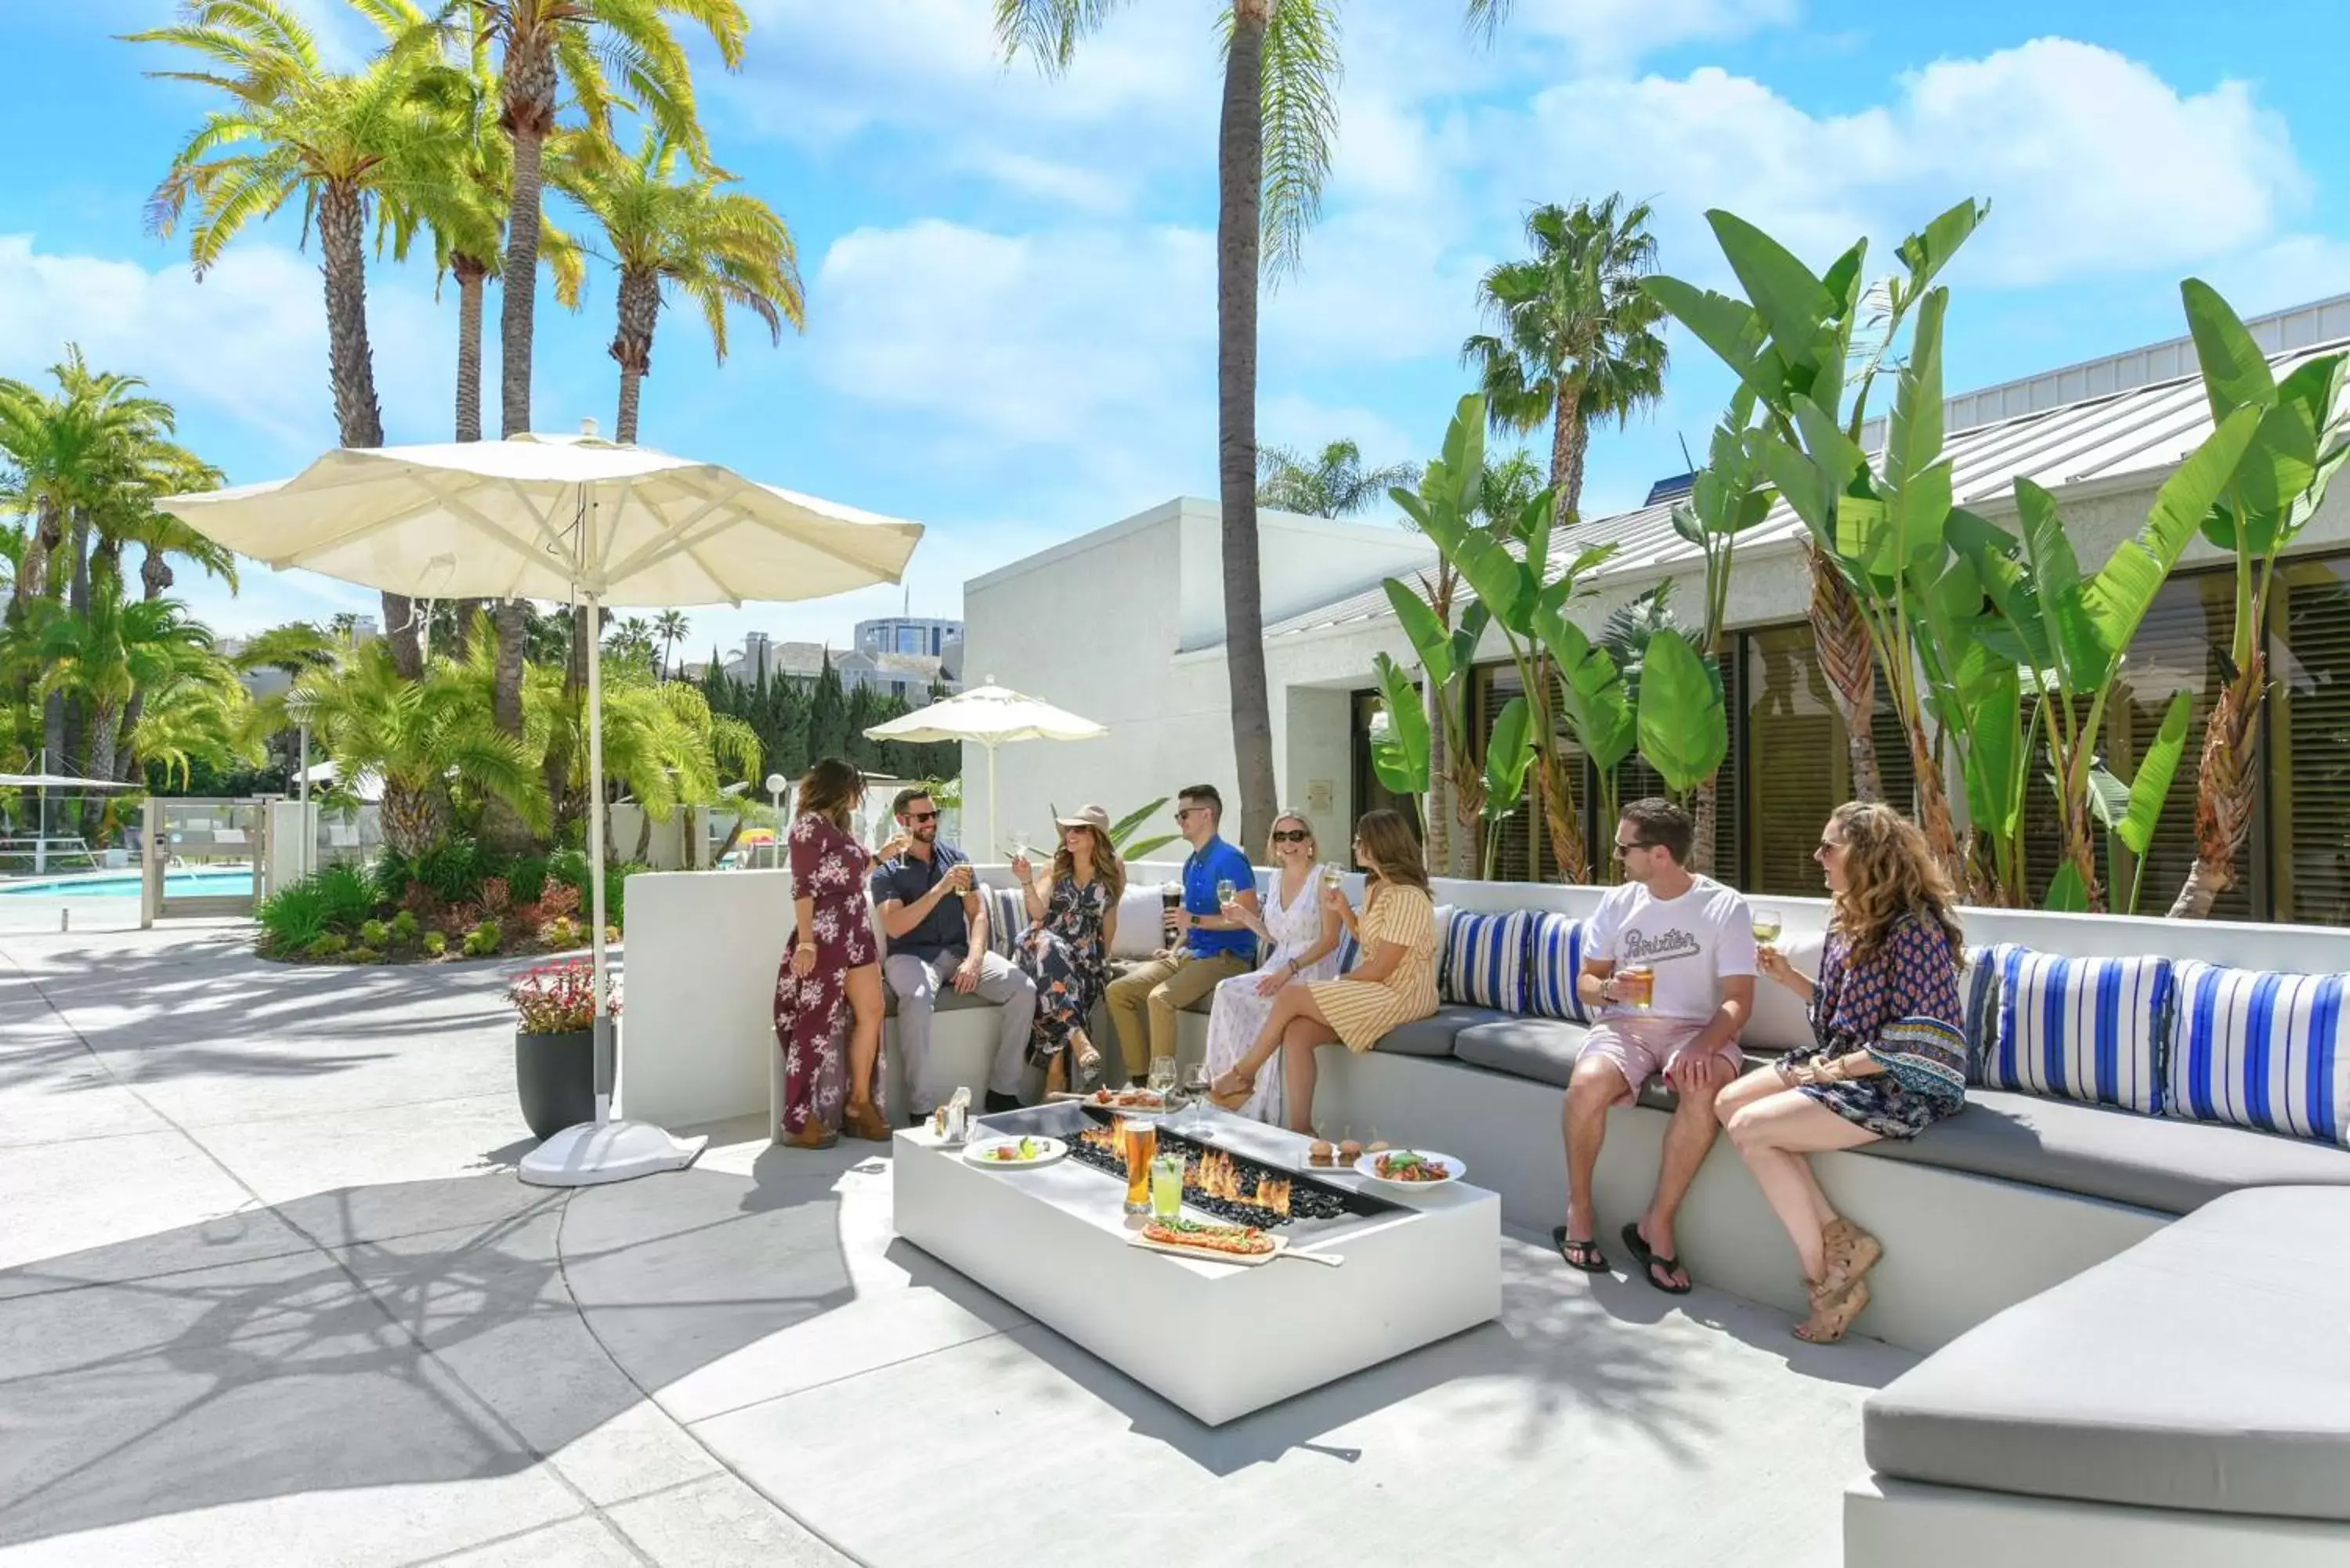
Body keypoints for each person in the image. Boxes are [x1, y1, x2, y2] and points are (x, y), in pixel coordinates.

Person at [1716, 801, 1969, 1344]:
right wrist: (1789, 978)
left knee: (1750, 1129)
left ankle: (1826, 1283)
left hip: (1899, 1082)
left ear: (1868, 855)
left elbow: (1922, 1035)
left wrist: (1832, 1072)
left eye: (1830, 846)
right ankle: (1845, 1246)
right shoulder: (1846, 917)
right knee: (1726, 1104)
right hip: (1846, 1063)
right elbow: (1842, 1014)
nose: (1818, 856)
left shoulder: (1916, 930)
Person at [1555, 798, 1755, 1295]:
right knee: (1584, 1086)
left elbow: (1738, 1002)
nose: (1619, 854)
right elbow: (1586, 980)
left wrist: (1704, 1046)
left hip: (1695, 1029)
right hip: (1626, 1024)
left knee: (1702, 1083)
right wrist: (1606, 992)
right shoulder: (1619, 902)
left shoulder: (1724, 907)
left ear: (1660, 854)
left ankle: (1657, 1224)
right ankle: (1580, 1209)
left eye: (1626, 846)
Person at [1211, 809, 1437, 1134]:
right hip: (1375, 986)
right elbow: (1365, 939)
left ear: (1380, 845)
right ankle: (1301, 1130)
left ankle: (1242, 1075)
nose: (1354, 844)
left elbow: (1382, 968)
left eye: (1361, 840)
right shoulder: (1377, 886)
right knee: (1297, 1032)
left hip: (1402, 993)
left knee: (1291, 994)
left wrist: (1337, 983)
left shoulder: (1408, 897)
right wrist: (1345, 911)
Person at [871, 786, 1039, 1124]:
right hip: (910, 957)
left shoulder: (956, 860)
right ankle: (921, 1109)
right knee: (917, 1000)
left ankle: (1002, 1091)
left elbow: (977, 913)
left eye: (935, 814)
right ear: (904, 821)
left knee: (1024, 990)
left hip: (958, 952)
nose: (931, 822)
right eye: (923, 817)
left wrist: (976, 958)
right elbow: (895, 926)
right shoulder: (888, 871)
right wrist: (939, 889)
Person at [773, 758, 901, 1148]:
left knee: (873, 1010)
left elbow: (853, 870)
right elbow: (803, 887)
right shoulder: (808, 827)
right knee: (813, 1027)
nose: (857, 795)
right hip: (826, 934)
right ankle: (797, 1120)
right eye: (854, 787)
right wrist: (807, 942)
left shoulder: (836, 827)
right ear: (837, 787)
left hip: (856, 930)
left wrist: (881, 855)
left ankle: (859, 1104)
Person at [1105, 783, 1260, 1085]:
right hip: (1191, 955)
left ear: (1207, 815)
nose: (1180, 821)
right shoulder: (1193, 862)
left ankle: (1160, 1087)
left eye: (1184, 814)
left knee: (1159, 999)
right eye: (1178, 816)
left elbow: (1247, 919)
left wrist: (1195, 920)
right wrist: (1175, 947)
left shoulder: (1229, 860)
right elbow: (1191, 921)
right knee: (1118, 991)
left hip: (1226, 959)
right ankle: (1138, 1080)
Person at [1201, 809, 1345, 1123]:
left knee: (1246, 996)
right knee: (1226, 991)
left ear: (1309, 842)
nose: (1289, 843)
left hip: (1310, 970)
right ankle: (1227, 1084)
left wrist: (1289, 969)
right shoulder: (1276, 878)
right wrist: (1244, 918)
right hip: (1279, 965)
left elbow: (1331, 940)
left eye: (1296, 835)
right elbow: (1275, 935)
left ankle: (1244, 1090)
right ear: (1274, 843)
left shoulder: (1324, 879)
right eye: (1281, 836)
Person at [1011, 805, 1124, 1093]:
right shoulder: (1055, 866)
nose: (1069, 835)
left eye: (1078, 829)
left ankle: (1056, 1072)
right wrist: (1026, 880)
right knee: (1045, 944)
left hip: (1084, 957)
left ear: (1096, 836)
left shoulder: (1113, 868)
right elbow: (1038, 912)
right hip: (1042, 947)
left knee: (1063, 983)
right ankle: (1079, 1040)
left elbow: (1109, 917)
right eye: (1068, 830)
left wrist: (1104, 961)